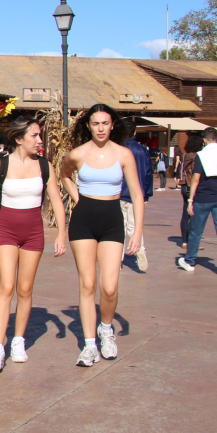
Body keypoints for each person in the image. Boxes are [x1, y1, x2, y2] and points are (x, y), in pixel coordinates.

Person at [0, 117, 68, 371]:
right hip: (6, 231)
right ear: (18, 139)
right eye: (35, 136)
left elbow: (57, 200)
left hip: (34, 234)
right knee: (7, 286)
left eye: (39, 135)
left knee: (25, 289)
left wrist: (62, 233)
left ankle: (18, 341)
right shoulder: (0, 166)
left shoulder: (45, 166)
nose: (39, 140)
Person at [60, 104, 145, 367]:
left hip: (112, 222)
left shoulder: (124, 155)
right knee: (88, 285)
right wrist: (78, 199)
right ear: (88, 125)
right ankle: (88, 345)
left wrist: (138, 232)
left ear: (112, 125)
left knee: (109, 287)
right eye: (96, 123)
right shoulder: (77, 154)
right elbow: (63, 175)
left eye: (105, 123)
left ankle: (106, 329)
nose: (100, 128)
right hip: (83, 222)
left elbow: (138, 194)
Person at [178, 128, 217, 276]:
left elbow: (196, 179)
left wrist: (190, 200)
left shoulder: (202, 155)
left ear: (204, 140)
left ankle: (190, 261)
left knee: (196, 232)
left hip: (202, 198)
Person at [118, 118, 153, 271]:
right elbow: (148, 173)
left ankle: (117, 258)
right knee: (134, 226)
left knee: (119, 227)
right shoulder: (142, 150)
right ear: (135, 132)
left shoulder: (117, 149)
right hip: (136, 194)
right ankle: (140, 250)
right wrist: (146, 194)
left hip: (118, 193)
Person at [178, 136, 204, 249]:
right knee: (195, 215)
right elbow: (196, 175)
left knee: (185, 215)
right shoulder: (198, 157)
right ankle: (192, 241)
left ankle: (184, 241)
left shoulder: (185, 156)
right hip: (193, 187)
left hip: (184, 186)